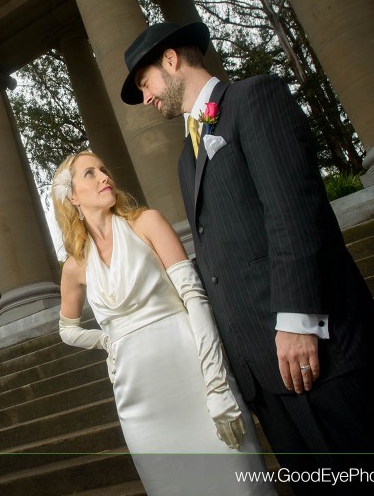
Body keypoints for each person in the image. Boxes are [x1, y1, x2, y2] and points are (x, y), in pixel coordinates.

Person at [120, 21, 374, 493]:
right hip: (263, 375)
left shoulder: (254, 98)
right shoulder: (185, 161)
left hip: (317, 351)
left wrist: (298, 320)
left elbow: (294, 209)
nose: (147, 98)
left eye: (144, 83)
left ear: (170, 61)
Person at [53, 150, 276, 496]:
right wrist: (105, 342)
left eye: (104, 168)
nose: (103, 176)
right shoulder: (75, 267)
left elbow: (195, 298)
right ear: (71, 197)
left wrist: (217, 385)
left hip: (195, 374)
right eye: (90, 174)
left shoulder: (148, 223)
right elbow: (67, 329)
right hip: (139, 400)